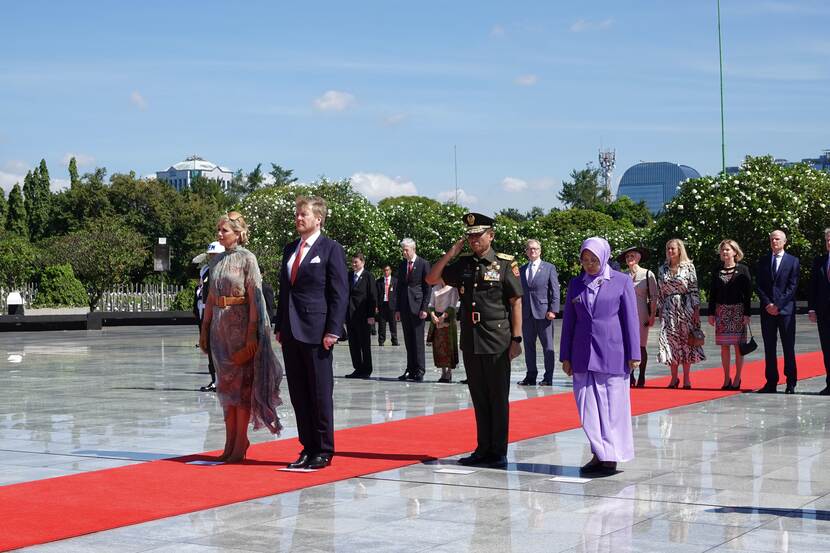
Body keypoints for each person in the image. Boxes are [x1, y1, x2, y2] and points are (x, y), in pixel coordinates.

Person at [427, 212, 523, 467]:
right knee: (479, 396)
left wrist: (517, 339)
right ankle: (483, 448)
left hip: (497, 338)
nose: (473, 240)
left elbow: (515, 302)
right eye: (469, 237)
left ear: (490, 235)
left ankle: (498, 451)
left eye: (478, 236)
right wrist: (451, 253)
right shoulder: (464, 264)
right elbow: (432, 278)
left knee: (497, 397)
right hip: (471, 338)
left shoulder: (504, 264)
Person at [199, 212, 283, 463]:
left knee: (241, 387)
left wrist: (252, 335)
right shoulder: (215, 262)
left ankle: (240, 442)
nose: (220, 234)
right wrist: (205, 329)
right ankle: (229, 441)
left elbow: (255, 299)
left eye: (224, 230)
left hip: (240, 325)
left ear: (238, 233)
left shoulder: (248, 259)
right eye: (219, 229)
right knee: (225, 387)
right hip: (219, 330)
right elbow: (211, 298)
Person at [275, 196, 348, 469]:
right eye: (297, 214)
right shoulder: (290, 249)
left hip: (317, 332)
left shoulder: (331, 249)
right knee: (299, 393)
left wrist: (333, 330)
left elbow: (339, 293)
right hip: (291, 332)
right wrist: (280, 325)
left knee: (319, 392)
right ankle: (307, 447)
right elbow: (286, 291)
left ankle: (324, 450)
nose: (298, 218)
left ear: (318, 218)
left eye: (303, 214)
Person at [560, 237, 640, 475]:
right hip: (582, 354)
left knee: (611, 408)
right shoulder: (576, 284)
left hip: (612, 353)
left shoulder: (621, 281)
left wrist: (634, 353)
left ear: (604, 257)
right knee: (587, 406)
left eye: (593, 260)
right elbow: (569, 323)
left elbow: (630, 320)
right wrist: (566, 356)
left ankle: (611, 456)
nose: (589, 265)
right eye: (585, 260)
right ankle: (599, 452)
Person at [657, 239, 705, 389]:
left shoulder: (688, 267)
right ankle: (673, 378)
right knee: (670, 342)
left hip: (686, 307)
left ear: (679, 250)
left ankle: (686, 378)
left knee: (686, 342)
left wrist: (696, 311)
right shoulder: (662, 269)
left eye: (672, 249)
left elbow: (694, 289)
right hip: (668, 310)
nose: (670, 251)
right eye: (668, 249)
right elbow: (660, 292)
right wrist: (660, 311)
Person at [756, 229, 800, 394]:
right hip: (767, 311)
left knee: (788, 347)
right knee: (769, 347)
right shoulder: (763, 261)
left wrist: (778, 305)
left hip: (785, 311)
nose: (774, 242)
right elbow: (759, 285)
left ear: (784, 241)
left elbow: (792, 286)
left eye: (777, 239)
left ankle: (791, 382)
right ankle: (771, 382)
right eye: (772, 239)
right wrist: (768, 304)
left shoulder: (793, 261)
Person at [707, 240, 752, 390]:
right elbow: (712, 293)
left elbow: (748, 294)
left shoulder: (743, 269)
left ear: (735, 252)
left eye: (727, 250)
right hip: (721, 312)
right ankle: (726, 378)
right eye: (722, 250)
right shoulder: (716, 270)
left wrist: (747, 314)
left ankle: (738, 378)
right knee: (724, 347)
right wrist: (711, 313)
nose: (725, 252)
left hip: (738, 311)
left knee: (738, 347)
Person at [517, 239, 560, 387]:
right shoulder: (522, 269)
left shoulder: (549, 268)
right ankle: (530, 376)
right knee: (529, 347)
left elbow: (555, 290)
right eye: (529, 249)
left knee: (548, 347)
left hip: (544, 313)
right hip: (527, 314)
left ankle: (548, 377)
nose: (532, 251)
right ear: (526, 252)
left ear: (540, 251)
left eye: (535, 249)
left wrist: (553, 310)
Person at [617, 246, 657, 388]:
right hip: (625, 313)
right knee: (627, 344)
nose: (630, 259)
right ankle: (630, 374)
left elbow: (654, 297)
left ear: (638, 257)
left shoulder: (647, 274)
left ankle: (642, 375)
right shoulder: (622, 275)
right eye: (627, 257)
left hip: (641, 313)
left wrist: (652, 315)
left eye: (632, 256)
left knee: (641, 345)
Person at [396, 238, 432, 382]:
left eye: (406, 250)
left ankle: (420, 370)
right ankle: (410, 369)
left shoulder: (423, 264)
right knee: (408, 339)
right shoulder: (402, 264)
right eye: (403, 250)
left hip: (417, 307)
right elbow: (399, 288)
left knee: (417, 340)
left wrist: (424, 308)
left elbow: (427, 287)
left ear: (413, 249)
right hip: (405, 306)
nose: (404, 252)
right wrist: (397, 308)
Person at [194, 241, 224, 392]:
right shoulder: (205, 270)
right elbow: (191, 275)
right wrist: (195, 261)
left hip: (221, 311)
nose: (212, 257)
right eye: (211, 255)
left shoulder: (226, 269)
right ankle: (215, 380)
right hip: (205, 312)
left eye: (215, 255)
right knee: (210, 349)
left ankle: (225, 381)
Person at [345, 253, 376, 379]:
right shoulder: (349, 276)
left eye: (356, 262)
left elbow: (372, 296)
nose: (353, 264)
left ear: (362, 262)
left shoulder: (368, 276)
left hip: (363, 315)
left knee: (364, 344)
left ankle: (367, 369)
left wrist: (371, 315)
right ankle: (357, 368)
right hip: (350, 315)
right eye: (352, 262)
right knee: (353, 344)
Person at [808, 228, 830, 396]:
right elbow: (813, 286)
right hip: (823, 312)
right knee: (827, 348)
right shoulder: (819, 261)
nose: (829, 243)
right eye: (827, 240)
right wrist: (812, 308)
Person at [427, 279, 459, 382]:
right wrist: (433, 315)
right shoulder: (435, 288)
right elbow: (431, 304)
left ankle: (449, 372)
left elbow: (452, 305)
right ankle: (443, 372)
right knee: (438, 347)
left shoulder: (453, 289)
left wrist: (443, 317)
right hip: (436, 319)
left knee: (449, 346)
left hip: (448, 319)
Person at [375, 265, 399, 346]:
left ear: (390, 271)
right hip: (382, 305)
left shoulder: (395, 281)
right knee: (381, 324)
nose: (386, 272)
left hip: (392, 305)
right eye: (384, 270)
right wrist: (376, 306)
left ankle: (394, 341)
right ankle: (381, 341)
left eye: (387, 270)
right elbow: (376, 295)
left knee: (393, 324)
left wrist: (398, 307)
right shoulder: (379, 282)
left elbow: (397, 294)